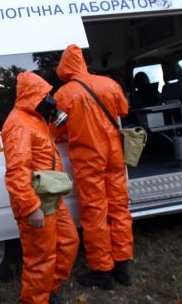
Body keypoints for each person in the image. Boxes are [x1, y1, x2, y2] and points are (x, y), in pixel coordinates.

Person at [53, 44, 133, 290]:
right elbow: (123, 109)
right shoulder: (109, 83)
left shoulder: (64, 95)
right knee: (119, 205)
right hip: (114, 155)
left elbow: (56, 130)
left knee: (95, 212)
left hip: (89, 159)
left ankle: (101, 271)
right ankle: (122, 266)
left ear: (65, 67)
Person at [2, 71, 79, 304]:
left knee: (69, 242)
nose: (50, 99)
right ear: (31, 96)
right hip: (36, 202)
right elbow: (17, 172)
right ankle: (35, 300)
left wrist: (54, 114)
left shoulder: (36, 118)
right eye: (45, 94)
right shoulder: (17, 125)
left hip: (51, 196)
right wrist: (30, 207)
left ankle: (47, 290)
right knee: (40, 258)